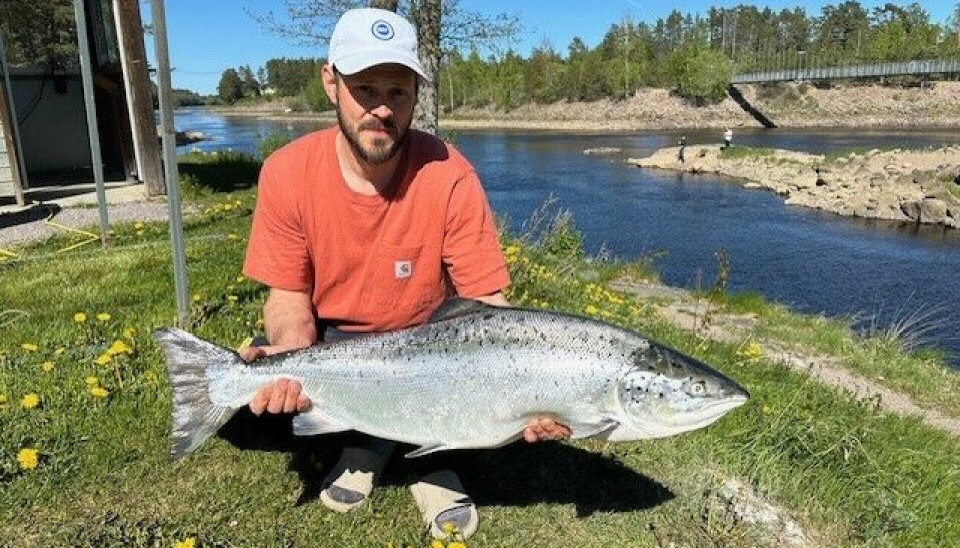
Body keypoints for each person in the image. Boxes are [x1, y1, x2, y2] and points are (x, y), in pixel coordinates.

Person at [237, 7, 570, 540]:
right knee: (260, 402)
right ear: (331, 83)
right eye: (365, 89)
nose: (382, 110)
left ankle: (422, 460)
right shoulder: (286, 172)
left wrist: (531, 386)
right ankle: (374, 441)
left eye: (398, 93)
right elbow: (287, 297)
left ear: (416, 91)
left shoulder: (451, 174)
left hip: (434, 345)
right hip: (338, 345)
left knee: (476, 382)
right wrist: (288, 355)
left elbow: (489, 301)